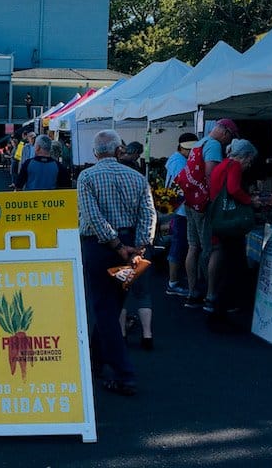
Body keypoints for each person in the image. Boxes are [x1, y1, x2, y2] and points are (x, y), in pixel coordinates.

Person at [77, 129, 157, 396]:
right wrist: (139, 246)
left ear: (95, 153)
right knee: (112, 306)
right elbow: (149, 213)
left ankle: (123, 373)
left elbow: (93, 217)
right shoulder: (137, 178)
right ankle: (96, 362)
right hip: (131, 245)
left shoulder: (87, 177)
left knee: (104, 309)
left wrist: (116, 244)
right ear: (119, 151)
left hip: (100, 247)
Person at [182, 118, 237, 310]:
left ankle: (192, 292)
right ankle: (211, 295)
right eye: (230, 138)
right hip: (204, 204)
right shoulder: (213, 145)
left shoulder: (200, 142)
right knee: (214, 248)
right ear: (225, 132)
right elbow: (212, 175)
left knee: (193, 246)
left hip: (190, 201)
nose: (228, 143)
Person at [207, 139, 261, 317]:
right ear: (245, 157)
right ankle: (221, 311)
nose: (249, 165)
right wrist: (250, 201)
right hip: (231, 223)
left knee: (229, 265)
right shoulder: (234, 166)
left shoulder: (222, 165)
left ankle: (220, 308)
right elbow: (233, 189)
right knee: (234, 268)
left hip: (220, 221)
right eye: (250, 161)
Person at [164, 133, 198, 297]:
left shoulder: (173, 159)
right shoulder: (179, 162)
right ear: (182, 148)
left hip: (178, 208)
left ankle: (175, 280)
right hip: (183, 210)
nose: (192, 153)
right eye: (189, 149)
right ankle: (173, 282)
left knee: (180, 244)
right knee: (179, 245)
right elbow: (183, 186)